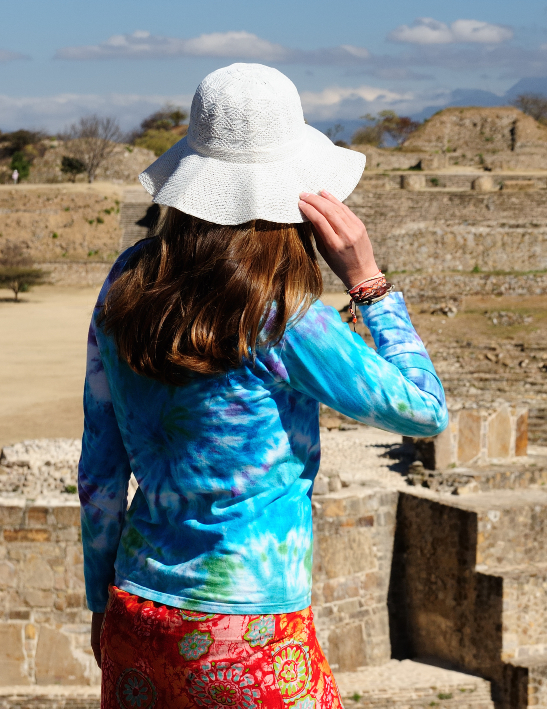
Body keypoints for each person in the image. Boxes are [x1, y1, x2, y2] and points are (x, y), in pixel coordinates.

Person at [79, 63, 448, 708]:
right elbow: (423, 409)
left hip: (139, 608)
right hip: (248, 629)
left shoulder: (128, 280)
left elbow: (100, 470)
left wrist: (97, 600)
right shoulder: (281, 314)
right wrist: (369, 283)